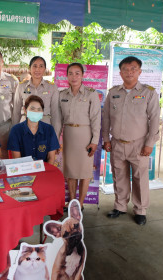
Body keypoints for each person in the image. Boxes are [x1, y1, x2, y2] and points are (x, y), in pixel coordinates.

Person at [102, 56, 160, 226]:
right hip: (117, 143)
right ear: (120, 72)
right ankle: (120, 206)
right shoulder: (113, 93)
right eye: (125, 69)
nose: (129, 72)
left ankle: (140, 210)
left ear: (139, 71)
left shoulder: (148, 92)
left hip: (139, 144)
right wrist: (106, 139)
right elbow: (106, 118)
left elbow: (155, 119)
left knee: (140, 178)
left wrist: (150, 143)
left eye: (133, 69)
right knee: (119, 177)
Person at [60, 63, 101, 209]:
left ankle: (81, 204)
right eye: (70, 73)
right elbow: (58, 120)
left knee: (84, 172)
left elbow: (96, 119)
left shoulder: (91, 94)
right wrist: (56, 139)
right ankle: (72, 202)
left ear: (82, 75)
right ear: (66, 76)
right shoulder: (62, 95)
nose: (74, 76)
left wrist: (95, 141)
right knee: (70, 172)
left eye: (77, 73)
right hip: (69, 135)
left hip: (85, 135)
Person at [12, 56, 61, 137]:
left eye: (41, 66)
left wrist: (56, 136)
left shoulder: (52, 87)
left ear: (45, 69)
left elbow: (55, 113)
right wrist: (14, 134)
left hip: (45, 126)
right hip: (25, 127)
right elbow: (16, 112)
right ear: (29, 68)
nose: (37, 69)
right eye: (34, 66)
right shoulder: (21, 87)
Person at [7, 95, 59, 165]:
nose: (36, 112)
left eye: (39, 109)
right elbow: (17, 160)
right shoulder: (16, 131)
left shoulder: (49, 129)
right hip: (23, 171)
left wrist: (45, 174)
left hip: (44, 171)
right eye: (32, 109)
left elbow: (51, 158)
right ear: (25, 110)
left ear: (42, 112)